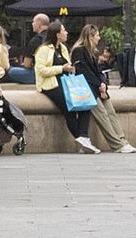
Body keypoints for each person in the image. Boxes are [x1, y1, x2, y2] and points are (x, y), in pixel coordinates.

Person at [35, 20, 100, 153]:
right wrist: (61, 68)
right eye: (64, 30)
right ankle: (83, 139)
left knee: (84, 103)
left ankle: (83, 139)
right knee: (68, 109)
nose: (66, 33)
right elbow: (41, 70)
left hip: (66, 82)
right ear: (57, 34)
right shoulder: (43, 49)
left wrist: (70, 68)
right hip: (50, 85)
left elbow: (68, 64)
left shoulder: (63, 48)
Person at [71, 25, 136, 153]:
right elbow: (83, 72)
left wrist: (103, 83)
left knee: (111, 112)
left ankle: (123, 141)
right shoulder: (79, 51)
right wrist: (99, 85)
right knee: (102, 115)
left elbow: (98, 71)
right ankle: (117, 145)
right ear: (90, 36)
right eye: (97, 35)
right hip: (88, 90)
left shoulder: (93, 52)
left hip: (98, 87)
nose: (99, 38)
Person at [7, 13, 49, 84]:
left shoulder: (36, 40)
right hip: (53, 72)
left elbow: (27, 64)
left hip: (39, 74)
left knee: (11, 71)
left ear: (39, 24)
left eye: (33, 22)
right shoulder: (53, 38)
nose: (32, 24)